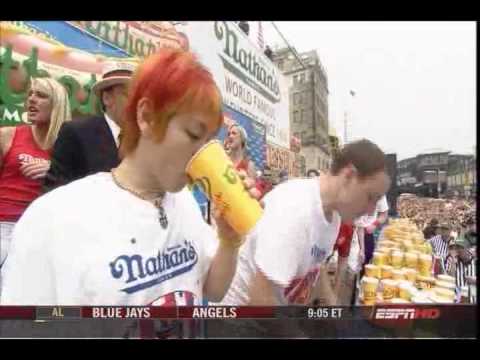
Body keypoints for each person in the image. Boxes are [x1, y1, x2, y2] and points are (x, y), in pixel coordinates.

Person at [0, 49, 260, 308]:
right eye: (193, 134)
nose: (201, 152)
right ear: (146, 116)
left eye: (209, 141)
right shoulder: (53, 218)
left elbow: (212, 291)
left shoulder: (184, 202)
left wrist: (229, 241)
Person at [220, 139, 391, 306]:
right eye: (370, 197)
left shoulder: (334, 214)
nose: (371, 211)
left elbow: (317, 262)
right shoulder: (295, 209)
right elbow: (260, 299)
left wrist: (331, 306)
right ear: (349, 176)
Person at [0, 77, 71, 278]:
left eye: (40, 95)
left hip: (40, 232)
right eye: (30, 94)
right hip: (4, 225)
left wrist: (54, 171)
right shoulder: (7, 135)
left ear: (57, 104)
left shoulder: (67, 149)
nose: (31, 99)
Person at [43, 61, 136, 192]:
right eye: (129, 94)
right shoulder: (77, 132)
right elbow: (55, 188)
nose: (137, 101)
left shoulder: (146, 139)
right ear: (107, 98)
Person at [355, 195, 389, 271]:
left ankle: (361, 280)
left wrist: (374, 224)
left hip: (366, 233)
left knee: (367, 261)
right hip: (351, 231)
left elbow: (384, 214)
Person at [445, 238, 476, 303]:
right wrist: (453, 262)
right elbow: (450, 279)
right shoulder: (452, 260)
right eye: (457, 248)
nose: (458, 250)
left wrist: (474, 281)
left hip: (473, 300)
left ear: (467, 249)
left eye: (461, 247)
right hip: (456, 300)